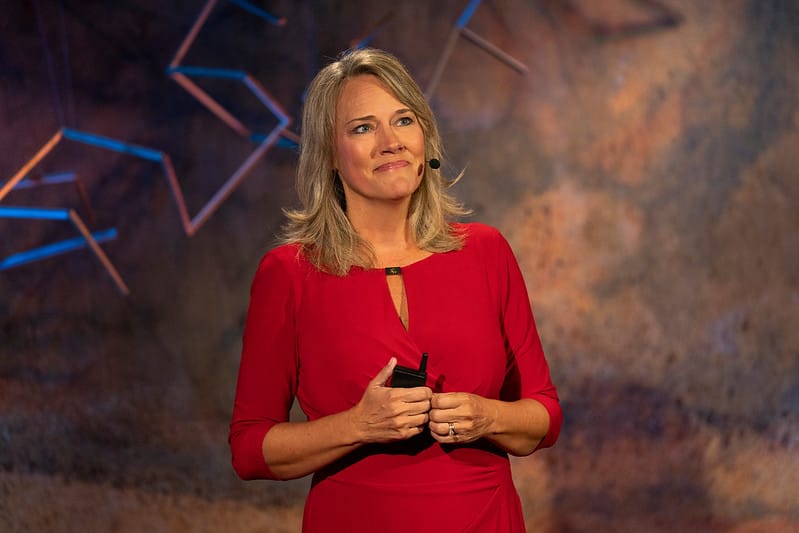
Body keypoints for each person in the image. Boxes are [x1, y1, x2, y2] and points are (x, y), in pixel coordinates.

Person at [229, 47, 562, 532]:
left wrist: (486, 416)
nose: (390, 142)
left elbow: (544, 416)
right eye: (362, 128)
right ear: (329, 156)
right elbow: (249, 449)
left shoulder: (486, 253)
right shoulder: (290, 273)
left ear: (426, 139)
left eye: (403, 121)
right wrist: (358, 426)